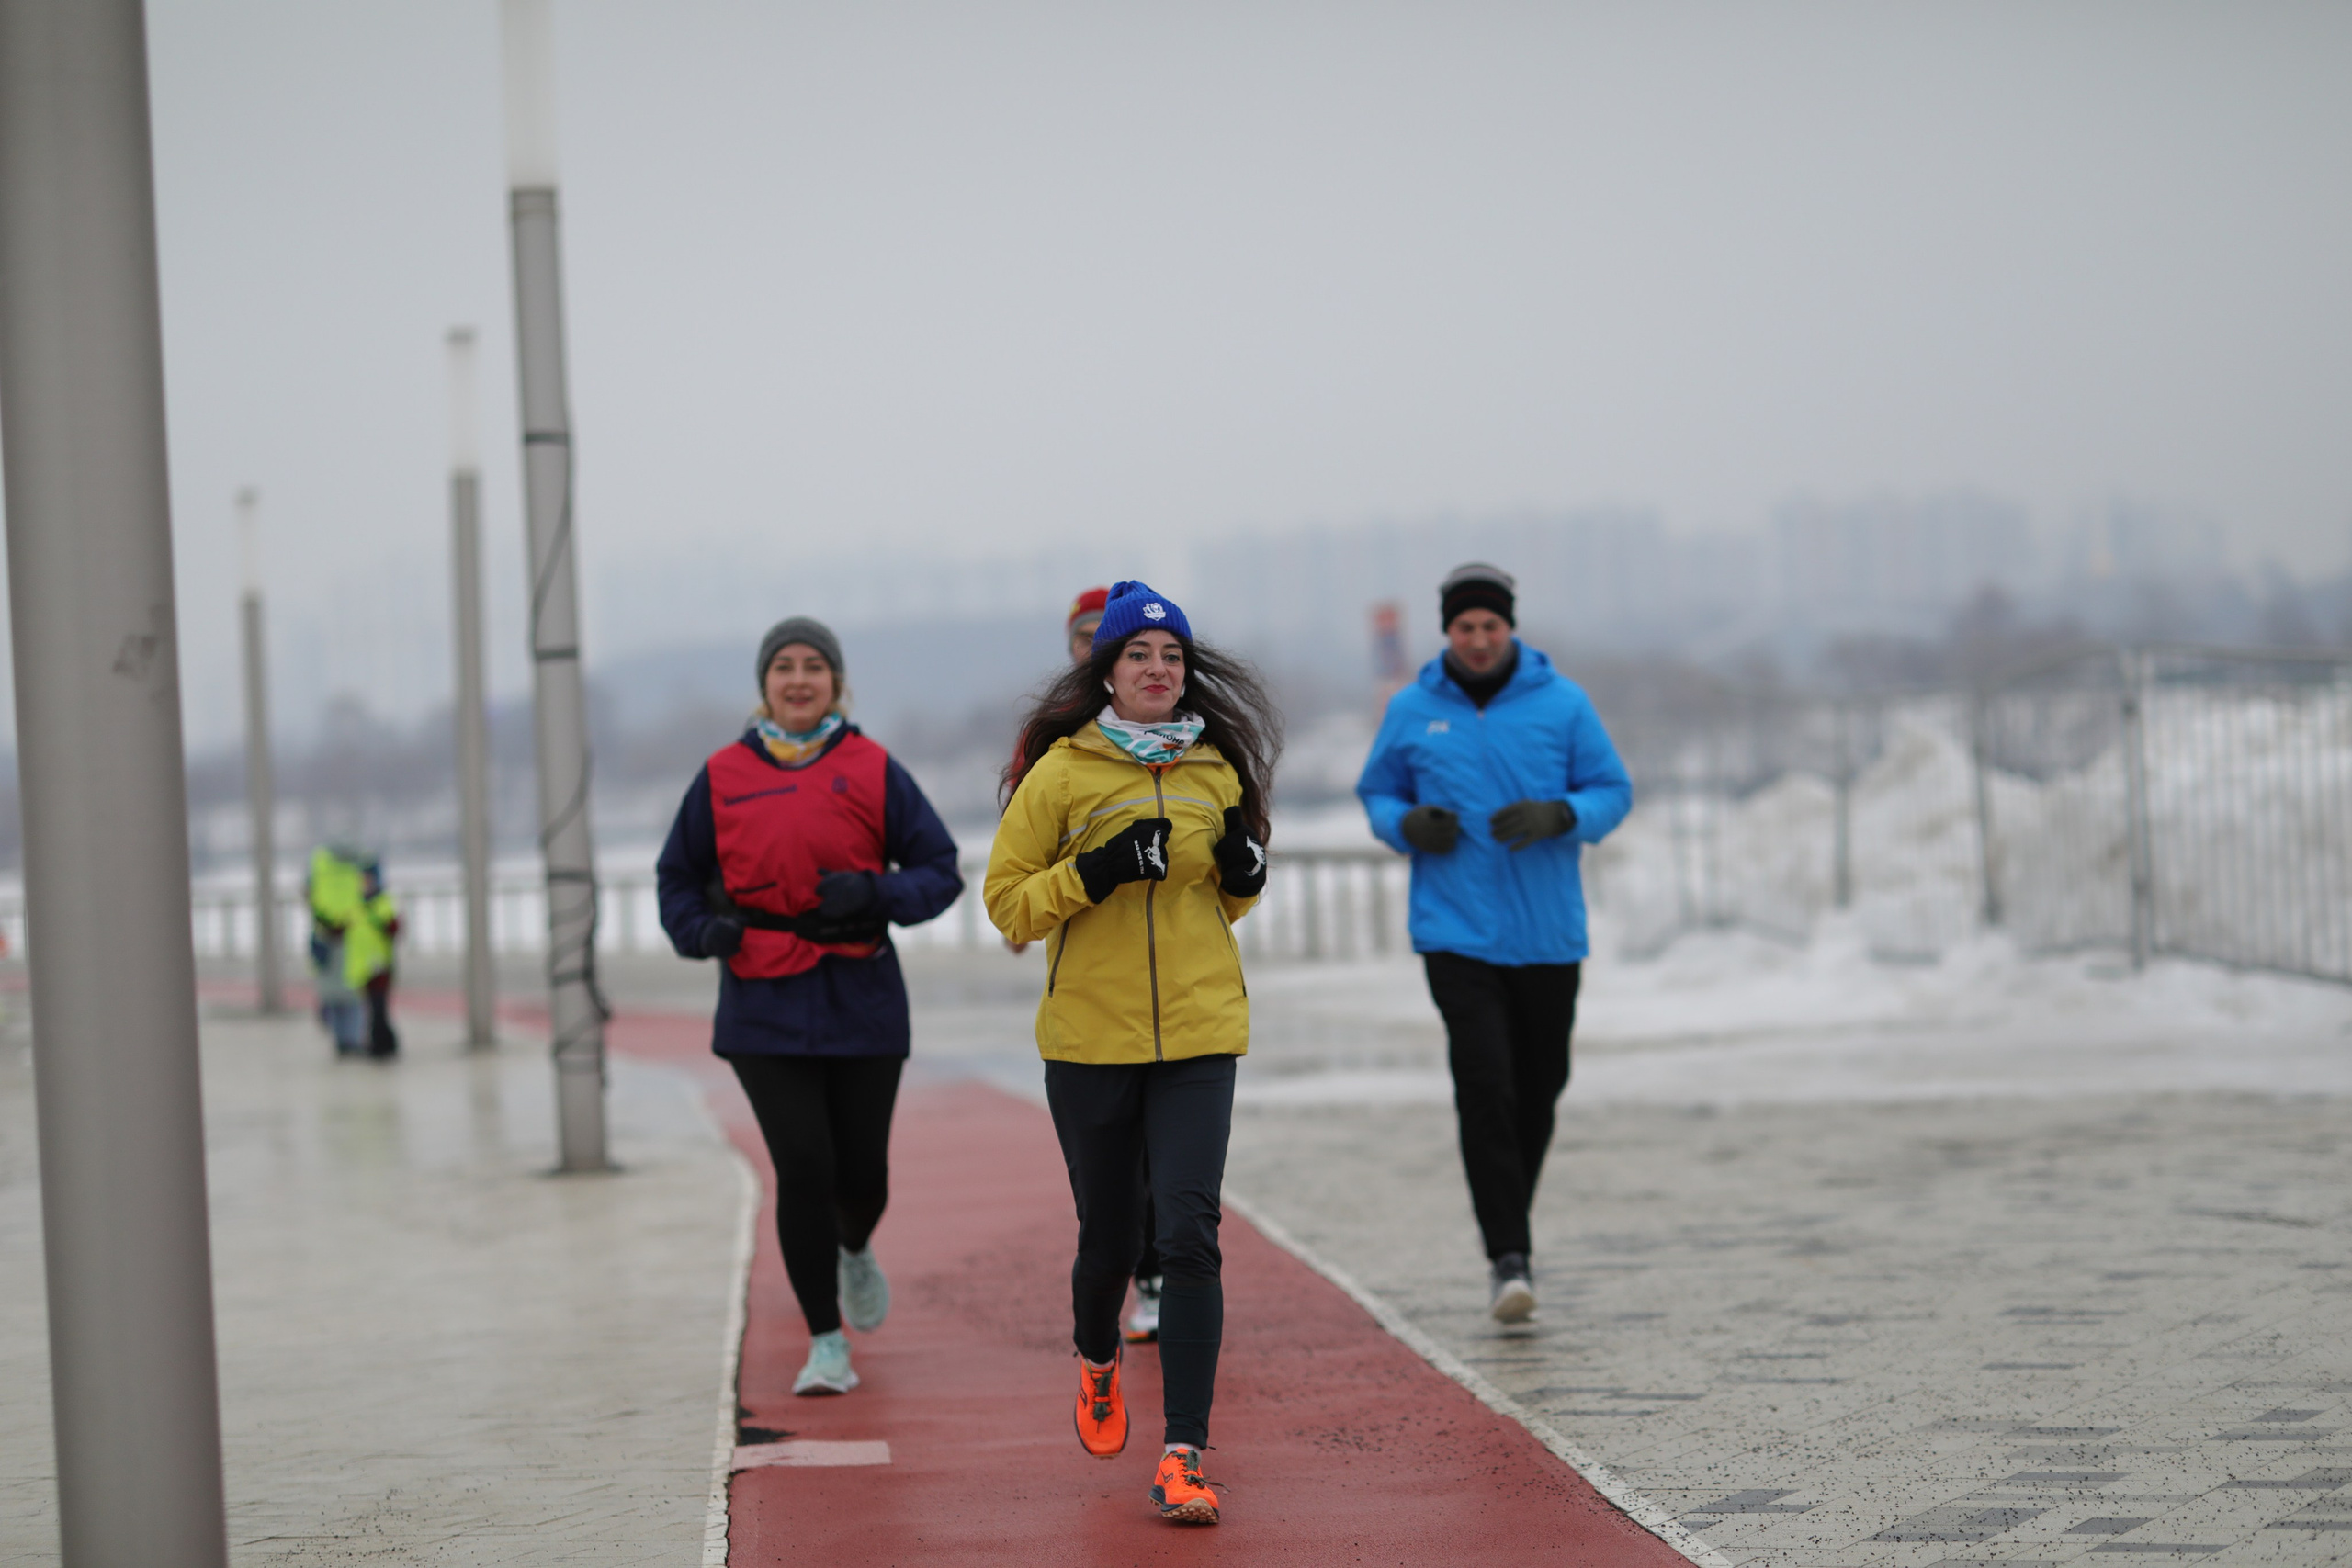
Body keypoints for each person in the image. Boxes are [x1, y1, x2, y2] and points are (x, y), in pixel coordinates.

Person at [986, 580, 1276, 1528]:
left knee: (1190, 1234)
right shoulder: (1061, 774)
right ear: (1106, 671)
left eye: (1172, 656)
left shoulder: (1215, 767)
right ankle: (1098, 1360)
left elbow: (1224, 897)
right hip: (1091, 1041)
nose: (1158, 668)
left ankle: (1183, 1453)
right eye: (1139, 655)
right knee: (1110, 1240)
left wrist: (1245, 874)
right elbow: (1008, 904)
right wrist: (1098, 869)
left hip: (1199, 1033)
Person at [657, 616, 963, 1396]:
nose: (799, 679)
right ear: (764, 684)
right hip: (761, 997)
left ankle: (854, 1245)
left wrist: (876, 892)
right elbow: (676, 877)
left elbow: (940, 868)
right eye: (784, 666)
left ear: (837, 682)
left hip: (861, 993)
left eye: (813, 666)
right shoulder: (723, 773)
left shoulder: (872, 765)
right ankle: (826, 1341)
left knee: (862, 1175)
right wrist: (703, 932)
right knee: (802, 1167)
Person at [1354, 563, 1632, 1323]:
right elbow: (1377, 792)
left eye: (1490, 625)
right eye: (1464, 627)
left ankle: (1508, 1219)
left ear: (1510, 627)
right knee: (1484, 1085)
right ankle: (1509, 1255)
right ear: (1447, 631)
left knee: (1539, 1088)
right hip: (1455, 931)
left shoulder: (1562, 702)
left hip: (1547, 934)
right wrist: (1406, 824)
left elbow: (1613, 790)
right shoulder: (1413, 709)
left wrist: (1561, 814)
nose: (1478, 639)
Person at [307, 843, 401, 1058]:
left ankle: (378, 1044)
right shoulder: (357, 906)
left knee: (373, 1008)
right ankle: (366, 1042)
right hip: (358, 965)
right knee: (354, 1003)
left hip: (376, 965)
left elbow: (393, 927)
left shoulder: (379, 903)